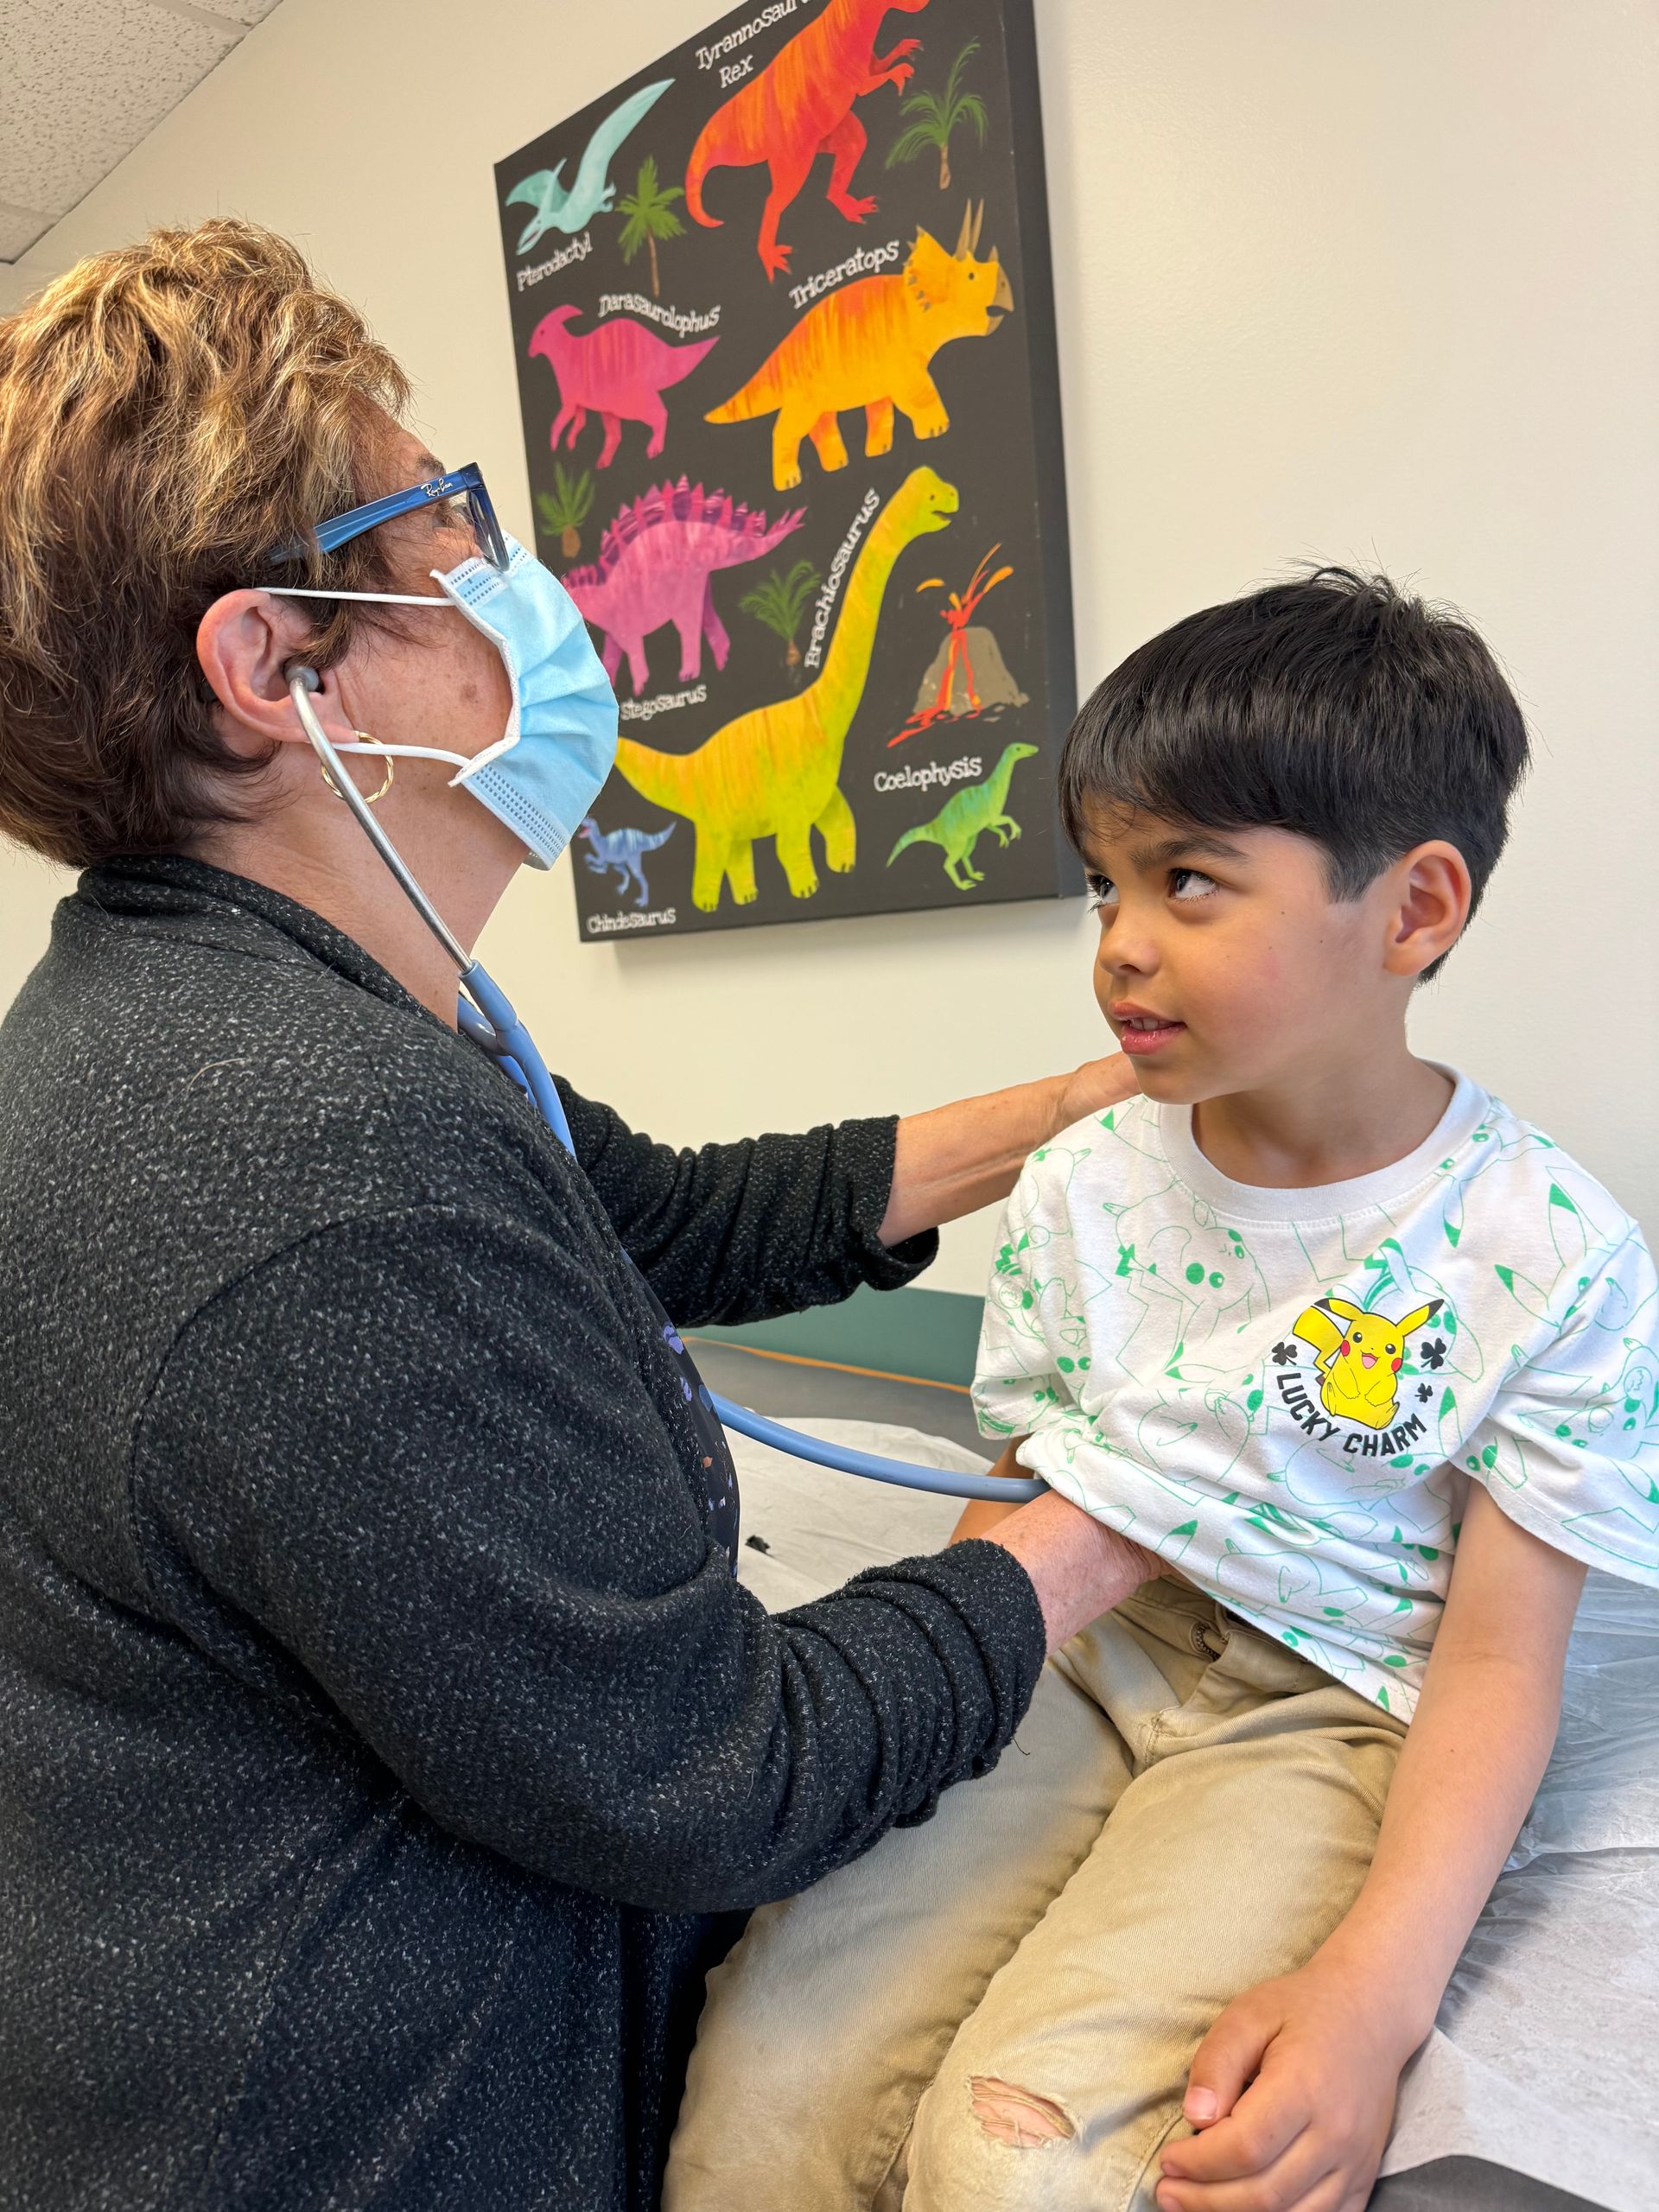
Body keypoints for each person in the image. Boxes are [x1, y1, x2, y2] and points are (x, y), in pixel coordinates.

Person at [0, 219, 1157, 2212]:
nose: (515, 580)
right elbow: (716, 1776)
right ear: (275, 664)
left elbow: (662, 1219)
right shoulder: (316, 1158)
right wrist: (1098, 1523)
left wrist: (1072, 1108)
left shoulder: (231, 1017)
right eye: (447, 525)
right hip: (353, 2136)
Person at [667, 571, 1659, 2212]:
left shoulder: (1552, 1254)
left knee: (1017, 2160)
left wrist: (1373, 2000)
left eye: (1189, 880)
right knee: (762, 2106)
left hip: (1328, 1705)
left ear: (1415, 909)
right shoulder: (1082, 1181)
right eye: (1103, 887)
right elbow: (1019, 1491)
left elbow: (1498, 1660)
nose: (1121, 944)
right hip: (1079, 1654)